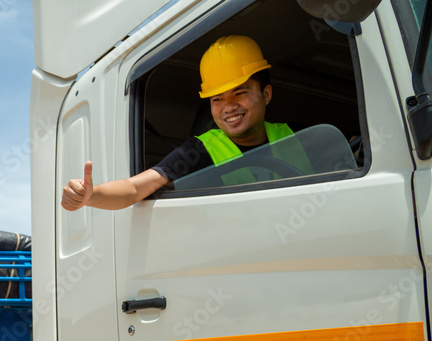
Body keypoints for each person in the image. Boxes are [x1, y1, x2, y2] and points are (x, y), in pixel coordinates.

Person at [62, 35, 310, 211]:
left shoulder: (301, 135)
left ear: (265, 94)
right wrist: (91, 196)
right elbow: (135, 188)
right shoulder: (198, 151)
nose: (228, 106)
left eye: (240, 92)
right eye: (217, 98)